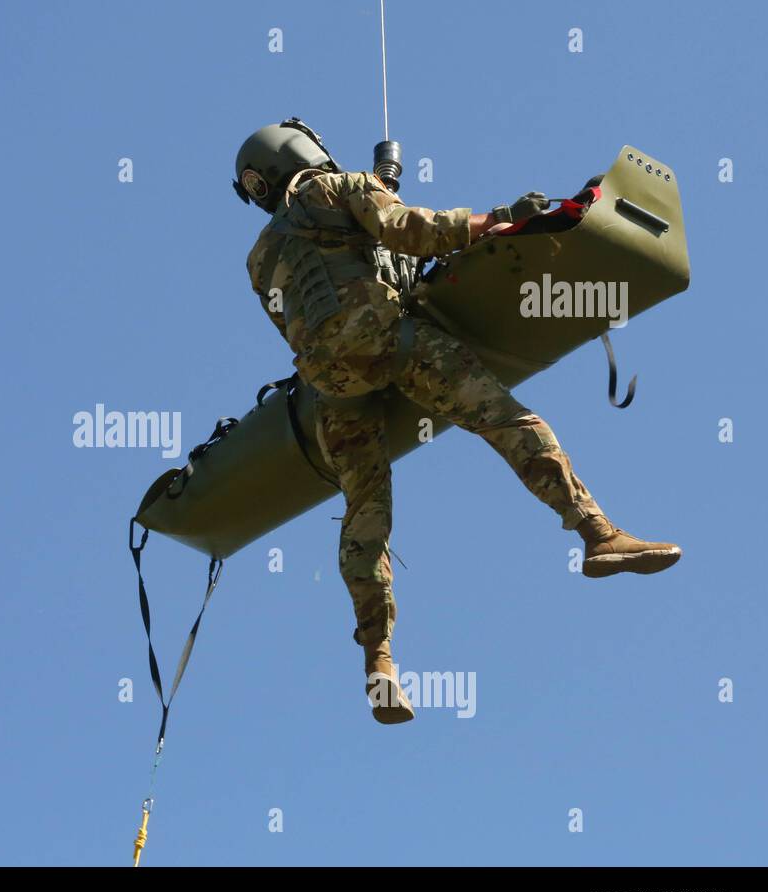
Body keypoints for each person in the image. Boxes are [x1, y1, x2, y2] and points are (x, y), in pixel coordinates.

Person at [235, 119, 681, 725]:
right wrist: (495, 220)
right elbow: (413, 231)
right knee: (506, 421)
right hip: (392, 342)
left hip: (332, 385)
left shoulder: (260, 259)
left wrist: (381, 204)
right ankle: (597, 534)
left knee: (366, 517)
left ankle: (379, 661)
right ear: (302, 151)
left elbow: (339, 282)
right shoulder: (333, 188)